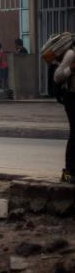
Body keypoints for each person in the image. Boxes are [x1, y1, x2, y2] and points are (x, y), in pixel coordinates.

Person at [52, 43, 75, 183]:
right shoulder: (71, 54)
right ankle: (67, 174)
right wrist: (71, 68)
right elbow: (57, 76)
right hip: (72, 98)